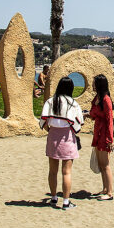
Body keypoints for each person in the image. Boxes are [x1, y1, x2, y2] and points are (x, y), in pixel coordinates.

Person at [39, 77, 84, 210]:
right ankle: (65, 201)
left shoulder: (50, 102)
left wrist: (51, 130)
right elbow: (78, 125)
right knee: (67, 172)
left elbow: (43, 122)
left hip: (52, 136)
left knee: (52, 171)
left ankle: (53, 197)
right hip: (67, 138)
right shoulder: (73, 103)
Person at [88, 74, 114, 200]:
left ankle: (109, 193)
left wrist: (110, 140)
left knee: (105, 164)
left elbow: (110, 120)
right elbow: (93, 114)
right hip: (98, 132)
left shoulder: (106, 100)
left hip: (104, 133)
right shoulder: (97, 98)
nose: (92, 85)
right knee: (101, 164)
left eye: (94, 83)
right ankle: (105, 188)